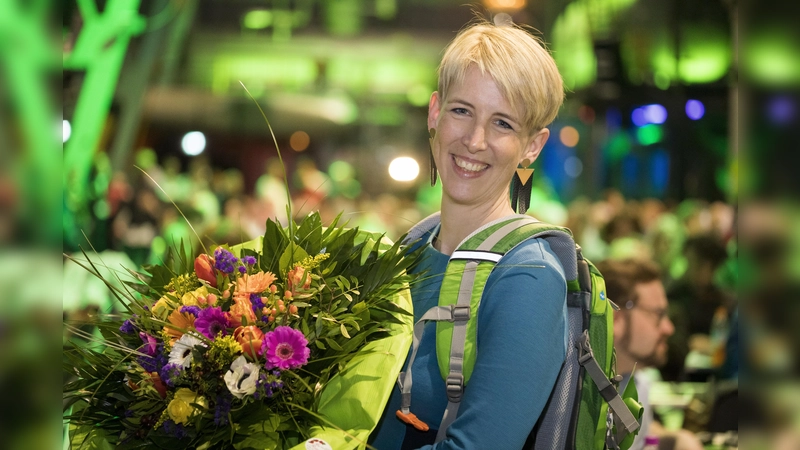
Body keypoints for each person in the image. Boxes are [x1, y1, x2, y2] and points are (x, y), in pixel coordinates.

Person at [369, 18, 568, 449]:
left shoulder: (528, 278)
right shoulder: (409, 252)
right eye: (462, 111)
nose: (475, 141)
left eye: (503, 124)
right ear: (435, 112)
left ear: (532, 145)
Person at [597, 258, 703, 450]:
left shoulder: (637, 383)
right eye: (658, 314)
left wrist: (675, 439)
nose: (668, 328)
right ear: (617, 318)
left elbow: (644, 432)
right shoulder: (581, 399)